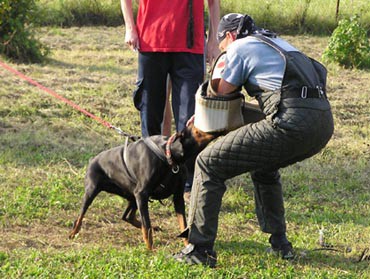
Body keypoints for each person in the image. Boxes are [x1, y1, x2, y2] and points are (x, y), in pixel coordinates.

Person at [173, 13, 334, 267]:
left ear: (229, 36)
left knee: (207, 163)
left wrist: (204, 110)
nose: (223, 51)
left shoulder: (239, 47)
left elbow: (222, 94)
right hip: (322, 123)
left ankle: (199, 249)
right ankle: (280, 244)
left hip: (290, 120)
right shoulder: (276, 42)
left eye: (221, 45)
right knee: (264, 163)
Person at [120, 0, 220, 198]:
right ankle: (149, 176)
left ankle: (189, 183)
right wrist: (130, 28)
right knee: (151, 113)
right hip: (151, 41)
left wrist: (213, 41)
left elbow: (214, 3)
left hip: (190, 46)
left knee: (190, 118)